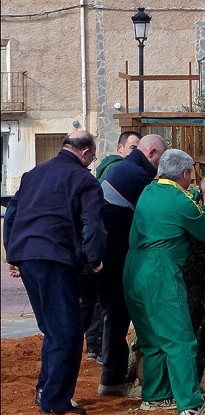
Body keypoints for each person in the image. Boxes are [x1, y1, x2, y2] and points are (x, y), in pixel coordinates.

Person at [3, 131, 106, 415]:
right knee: (68, 332)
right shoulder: (84, 180)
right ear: (85, 153)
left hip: (27, 255)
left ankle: (45, 391)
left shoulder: (33, 174)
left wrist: (13, 253)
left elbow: (11, 214)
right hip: (55, 256)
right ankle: (55, 402)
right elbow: (93, 225)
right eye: (92, 157)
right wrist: (95, 259)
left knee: (53, 328)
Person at [123, 149, 205, 415]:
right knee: (179, 339)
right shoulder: (181, 202)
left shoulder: (149, 190)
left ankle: (155, 396)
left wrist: (197, 197)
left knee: (151, 338)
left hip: (133, 269)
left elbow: (180, 202)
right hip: (160, 272)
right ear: (186, 174)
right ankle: (190, 404)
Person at [96, 134, 167, 397]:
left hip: (107, 257)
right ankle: (112, 380)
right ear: (151, 154)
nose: (160, 167)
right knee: (116, 316)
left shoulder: (126, 169)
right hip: (112, 259)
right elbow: (161, 209)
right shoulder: (137, 176)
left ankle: (112, 376)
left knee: (112, 316)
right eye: (161, 159)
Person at [82, 131, 141, 362]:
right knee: (107, 305)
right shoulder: (120, 171)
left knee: (100, 304)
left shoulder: (109, 169)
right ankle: (98, 350)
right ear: (120, 148)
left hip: (100, 248)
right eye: (133, 147)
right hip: (105, 249)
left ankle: (95, 348)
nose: (135, 153)